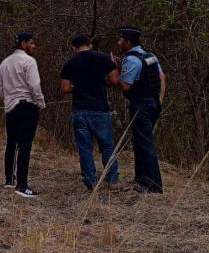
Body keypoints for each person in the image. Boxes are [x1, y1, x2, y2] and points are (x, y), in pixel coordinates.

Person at [60, 34, 128, 192]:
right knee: (107, 146)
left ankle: (91, 182)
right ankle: (112, 181)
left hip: (79, 109)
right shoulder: (103, 58)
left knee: (85, 148)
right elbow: (115, 80)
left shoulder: (70, 63)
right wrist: (102, 82)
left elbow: (64, 88)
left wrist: (76, 87)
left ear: (73, 47)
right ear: (90, 44)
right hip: (100, 109)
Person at [113, 26, 166, 194]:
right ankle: (141, 180)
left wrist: (115, 70)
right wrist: (159, 101)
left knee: (144, 144)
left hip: (140, 104)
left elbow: (125, 86)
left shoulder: (131, 59)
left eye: (121, 40)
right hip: (153, 103)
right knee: (141, 142)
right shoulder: (149, 56)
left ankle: (153, 184)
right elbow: (162, 78)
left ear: (128, 42)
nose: (119, 42)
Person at [0, 31, 46, 197]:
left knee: (11, 143)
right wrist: (40, 103)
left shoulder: (4, 63)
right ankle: (22, 185)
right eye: (31, 43)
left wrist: (9, 99)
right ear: (24, 44)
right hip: (26, 106)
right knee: (25, 145)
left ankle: (9, 180)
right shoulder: (29, 61)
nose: (33, 46)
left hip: (10, 108)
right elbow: (35, 86)